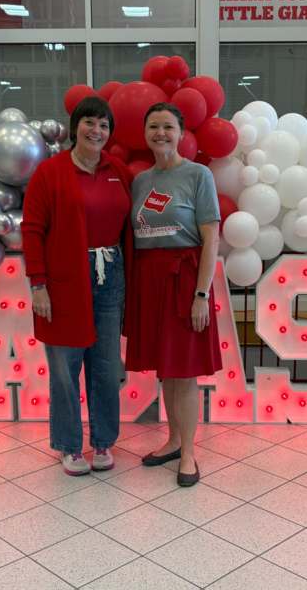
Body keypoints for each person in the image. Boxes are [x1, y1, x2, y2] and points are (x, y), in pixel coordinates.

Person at [22, 96, 133, 476]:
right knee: (65, 368)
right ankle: (69, 446)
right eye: (90, 122)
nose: (96, 130)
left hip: (110, 276)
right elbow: (32, 231)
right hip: (65, 279)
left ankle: (103, 441)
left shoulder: (118, 170)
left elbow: (131, 228)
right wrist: (38, 284)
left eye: (104, 125)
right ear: (75, 127)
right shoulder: (49, 173)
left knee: (104, 366)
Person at [126, 102, 222, 487]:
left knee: (183, 372)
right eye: (154, 127)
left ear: (181, 133)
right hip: (150, 280)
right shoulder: (139, 180)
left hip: (184, 280)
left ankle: (188, 454)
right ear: (145, 133)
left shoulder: (198, 175)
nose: (161, 133)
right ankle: (172, 439)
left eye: (168, 126)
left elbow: (211, 237)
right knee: (166, 370)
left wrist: (201, 294)